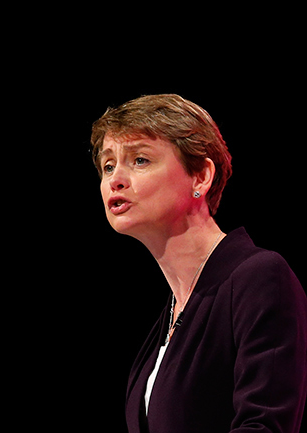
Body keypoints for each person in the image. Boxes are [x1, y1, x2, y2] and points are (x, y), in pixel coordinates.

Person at [90, 94, 307, 433]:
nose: (116, 178)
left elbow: (263, 425)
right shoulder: (173, 312)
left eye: (140, 160)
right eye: (107, 165)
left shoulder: (259, 278)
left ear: (201, 176)